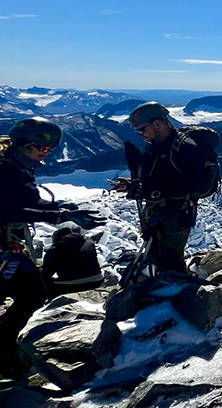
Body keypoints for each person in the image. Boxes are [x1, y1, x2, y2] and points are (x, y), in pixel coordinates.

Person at [0, 118, 98, 359]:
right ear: (24, 144)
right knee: (32, 294)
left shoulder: (15, 165)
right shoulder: (7, 169)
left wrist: (57, 206)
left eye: (50, 149)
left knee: (28, 293)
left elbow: (27, 202)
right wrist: (59, 214)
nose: (47, 153)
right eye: (43, 148)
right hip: (4, 243)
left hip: (6, 243)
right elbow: (11, 210)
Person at [113, 102, 207, 275]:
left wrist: (157, 194)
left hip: (176, 216)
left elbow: (195, 186)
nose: (140, 135)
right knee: (156, 256)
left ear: (157, 124)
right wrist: (134, 176)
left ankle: (180, 296)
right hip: (156, 213)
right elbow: (155, 179)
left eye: (142, 130)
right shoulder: (155, 145)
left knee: (170, 261)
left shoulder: (185, 147)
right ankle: (165, 294)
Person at [41, 223, 104, 298]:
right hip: (97, 280)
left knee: (44, 282)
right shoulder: (88, 242)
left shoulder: (54, 249)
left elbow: (46, 274)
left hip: (73, 285)